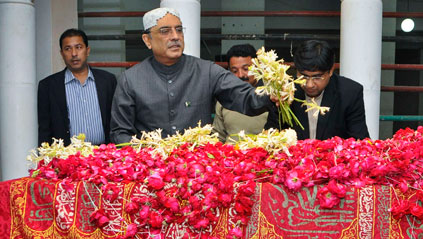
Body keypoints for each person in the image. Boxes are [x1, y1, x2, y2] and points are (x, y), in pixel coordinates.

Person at [110, 8, 271, 144]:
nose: (175, 36)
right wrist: (148, 156)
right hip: (152, 173)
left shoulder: (206, 71)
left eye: (179, 29)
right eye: (165, 31)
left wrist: (271, 94)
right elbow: (120, 133)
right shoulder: (130, 80)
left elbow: (244, 97)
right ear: (147, 40)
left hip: (198, 172)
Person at [265, 40, 370, 140]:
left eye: (317, 77)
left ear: (330, 71)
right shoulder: (284, 90)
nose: (309, 85)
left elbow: (359, 140)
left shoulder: (350, 92)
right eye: (303, 76)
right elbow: (271, 134)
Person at [38, 28, 117, 145]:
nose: (74, 54)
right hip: (66, 159)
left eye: (79, 47)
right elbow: (45, 129)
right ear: (62, 54)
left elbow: (117, 122)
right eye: (67, 49)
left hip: (104, 155)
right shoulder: (48, 86)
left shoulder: (107, 81)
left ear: (87, 50)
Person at [212, 44, 268, 143]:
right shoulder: (224, 98)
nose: (241, 75)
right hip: (230, 156)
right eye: (234, 71)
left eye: (246, 69)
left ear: (258, 68)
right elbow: (218, 137)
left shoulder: (270, 96)